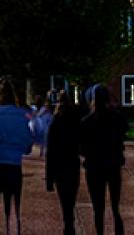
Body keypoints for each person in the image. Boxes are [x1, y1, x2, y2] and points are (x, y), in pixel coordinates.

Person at [79, 84, 127, 235]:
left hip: (94, 167)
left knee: (97, 207)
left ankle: (100, 232)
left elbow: (81, 148)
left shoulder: (86, 121)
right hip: (113, 165)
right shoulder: (117, 118)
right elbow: (123, 135)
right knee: (115, 205)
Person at [45, 92, 81, 235]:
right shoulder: (75, 121)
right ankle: (69, 220)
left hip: (59, 165)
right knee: (71, 196)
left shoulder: (55, 122)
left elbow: (50, 151)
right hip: (72, 163)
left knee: (64, 197)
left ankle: (68, 221)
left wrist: (49, 179)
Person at [0, 80, 33, 235]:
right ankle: (14, 228)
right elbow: (28, 144)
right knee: (15, 204)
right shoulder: (22, 115)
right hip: (14, 165)